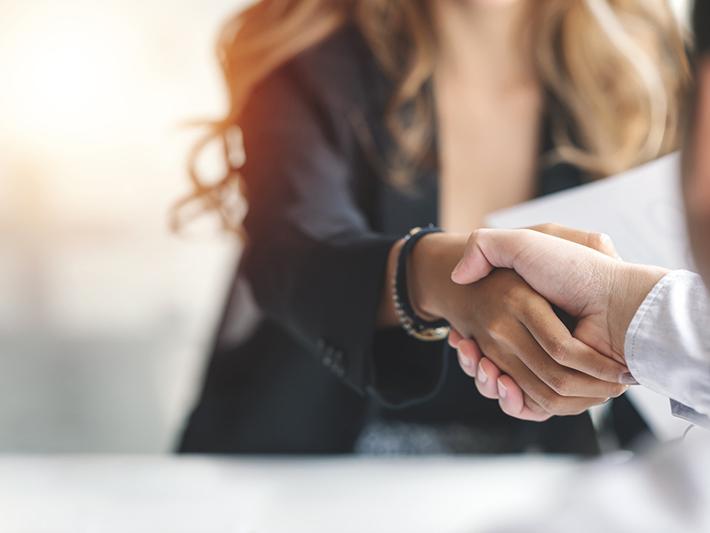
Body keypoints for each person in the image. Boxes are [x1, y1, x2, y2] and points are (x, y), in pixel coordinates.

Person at [178, 0, 688, 455]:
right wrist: (444, 280)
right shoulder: (309, 52)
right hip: (306, 469)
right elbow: (294, 249)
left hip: (534, 479)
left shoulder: (644, 76)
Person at [450, 1, 710, 426]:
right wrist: (436, 278)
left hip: (590, 449)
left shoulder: (649, 52)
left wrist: (624, 313)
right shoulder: (327, 54)